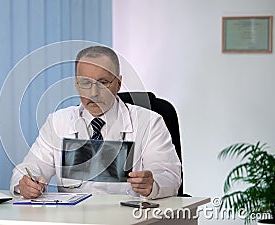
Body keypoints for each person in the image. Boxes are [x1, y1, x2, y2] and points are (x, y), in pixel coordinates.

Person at [10, 46, 181, 199]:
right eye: (85, 83)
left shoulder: (149, 122)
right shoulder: (58, 122)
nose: (93, 93)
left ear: (118, 84)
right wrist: (25, 184)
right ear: (76, 84)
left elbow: (169, 175)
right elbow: (30, 168)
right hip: (75, 220)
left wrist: (153, 184)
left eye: (103, 82)